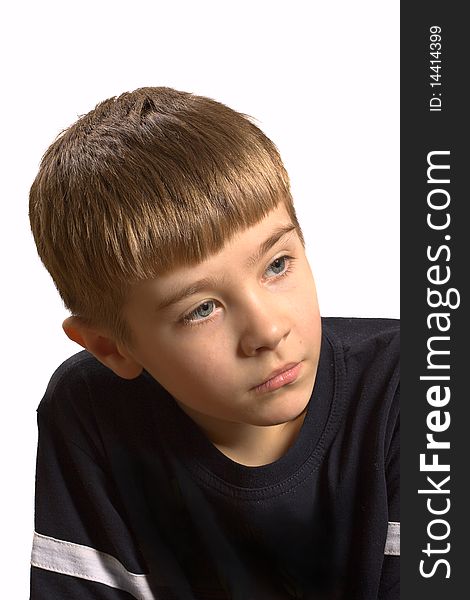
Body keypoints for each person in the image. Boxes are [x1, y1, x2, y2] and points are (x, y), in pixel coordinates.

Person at [29, 87, 399, 600]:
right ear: (112, 348)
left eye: (277, 264)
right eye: (201, 309)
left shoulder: (417, 381)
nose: (269, 332)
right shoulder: (88, 412)